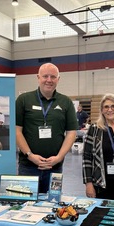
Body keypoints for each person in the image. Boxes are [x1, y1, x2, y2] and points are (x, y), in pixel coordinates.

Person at [16, 62, 78, 193]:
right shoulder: (23, 100)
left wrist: (59, 157)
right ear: (38, 77)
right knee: (27, 205)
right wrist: (30, 155)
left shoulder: (66, 102)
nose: (49, 80)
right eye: (45, 76)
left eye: (53, 77)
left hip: (54, 167)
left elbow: (71, 133)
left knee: (52, 205)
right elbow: (17, 131)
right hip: (28, 167)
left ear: (58, 79)